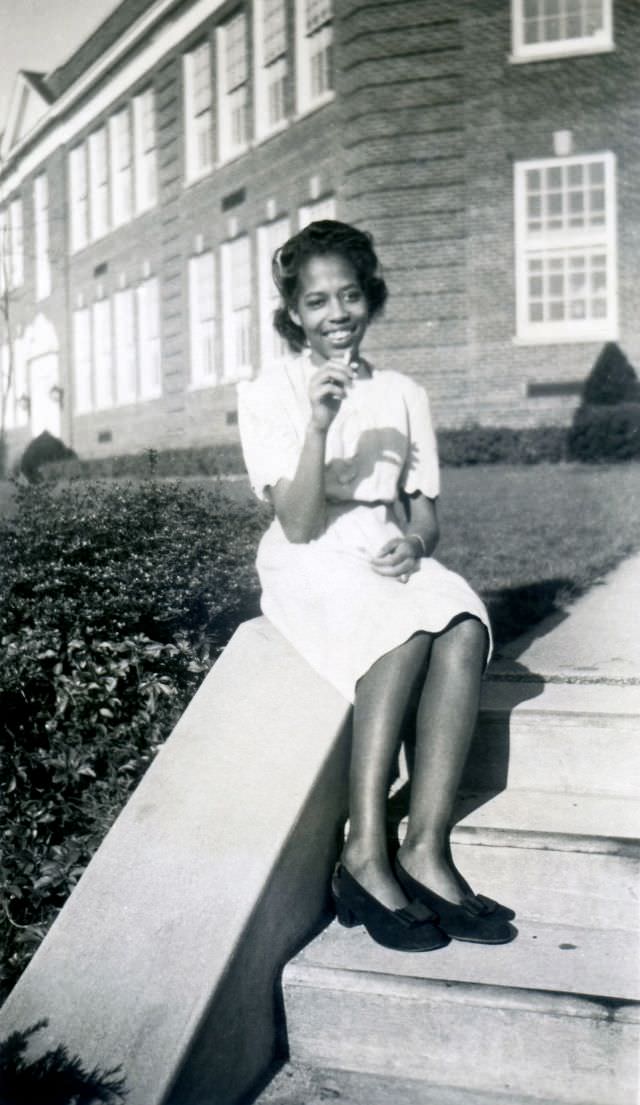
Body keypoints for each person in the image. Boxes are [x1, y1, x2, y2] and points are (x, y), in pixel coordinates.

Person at [238, 220, 516, 951]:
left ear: (370, 299)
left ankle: (424, 844)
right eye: (318, 300)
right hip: (307, 554)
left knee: (460, 618)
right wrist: (319, 423)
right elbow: (296, 524)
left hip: (379, 543)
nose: (337, 314)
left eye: (350, 295)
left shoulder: (401, 391)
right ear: (294, 312)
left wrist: (414, 542)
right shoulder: (270, 389)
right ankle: (364, 850)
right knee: (400, 626)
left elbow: (426, 512)